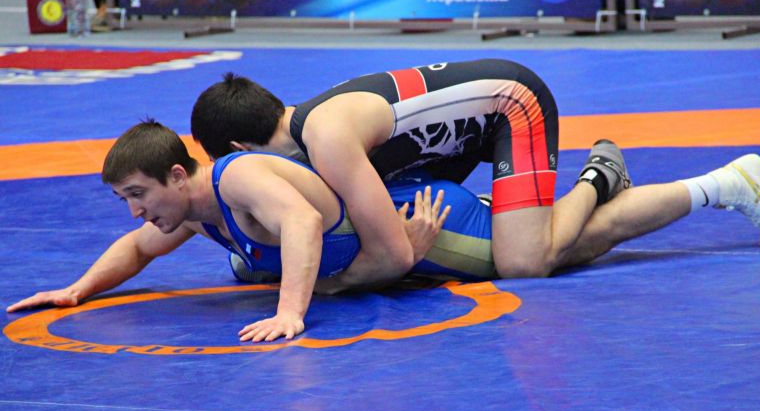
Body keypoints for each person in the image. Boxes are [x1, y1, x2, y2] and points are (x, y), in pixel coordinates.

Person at [6, 121, 760, 342]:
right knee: (559, 245)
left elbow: (302, 222)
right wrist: (78, 289)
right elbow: (136, 250)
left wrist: (292, 311)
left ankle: (712, 184)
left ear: (179, 175)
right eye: (125, 200)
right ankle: (608, 178)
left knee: (558, 251)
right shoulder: (191, 211)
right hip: (395, 237)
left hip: (429, 224)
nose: (136, 213)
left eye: (139, 195)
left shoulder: (235, 181)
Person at [191, 59, 636, 295]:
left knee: (524, 262)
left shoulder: (326, 139)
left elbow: (393, 255)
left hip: (510, 107)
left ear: (238, 153)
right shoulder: (303, 143)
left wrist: (329, 286)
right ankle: (513, 214)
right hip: (452, 142)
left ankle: (598, 178)